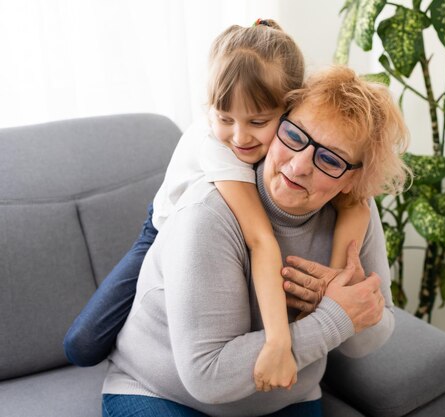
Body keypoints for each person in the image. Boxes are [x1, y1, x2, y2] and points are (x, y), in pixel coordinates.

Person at [63, 19, 371, 392]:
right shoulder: (220, 150)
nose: (239, 137)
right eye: (224, 118)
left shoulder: (294, 145)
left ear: (289, 109)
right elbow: (260, 240)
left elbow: (356, 205)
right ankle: (135, 355)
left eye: (258, 121)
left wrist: (336, 277)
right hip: (162, 226)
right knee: (81, 344)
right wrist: (277, 340)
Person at [101, 65, 410, 417]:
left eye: (329, 159)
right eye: (294, 136)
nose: (298, 166)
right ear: (278, 124)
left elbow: (370, 334)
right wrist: (335, 318)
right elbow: (207, 375)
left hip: (289, 398)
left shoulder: (354, 215)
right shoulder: (210, 213)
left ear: (352, 180)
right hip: (161, 393)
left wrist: (353, 310)